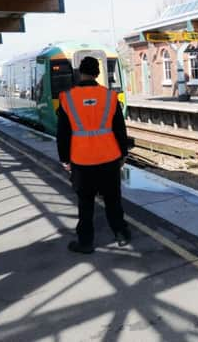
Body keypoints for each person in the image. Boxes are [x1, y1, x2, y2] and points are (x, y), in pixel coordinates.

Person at [57, 56, 131, 254]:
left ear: (79, 73)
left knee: (85, 203)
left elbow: (63, 133)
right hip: (109, 158)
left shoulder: (67, 98)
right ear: (98, 74)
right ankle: (121, 234)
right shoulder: (109, 97)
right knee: (113, 200)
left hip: (82, 161)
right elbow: (119, 129)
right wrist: (123, 153)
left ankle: (86, 243)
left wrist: (64, 159)